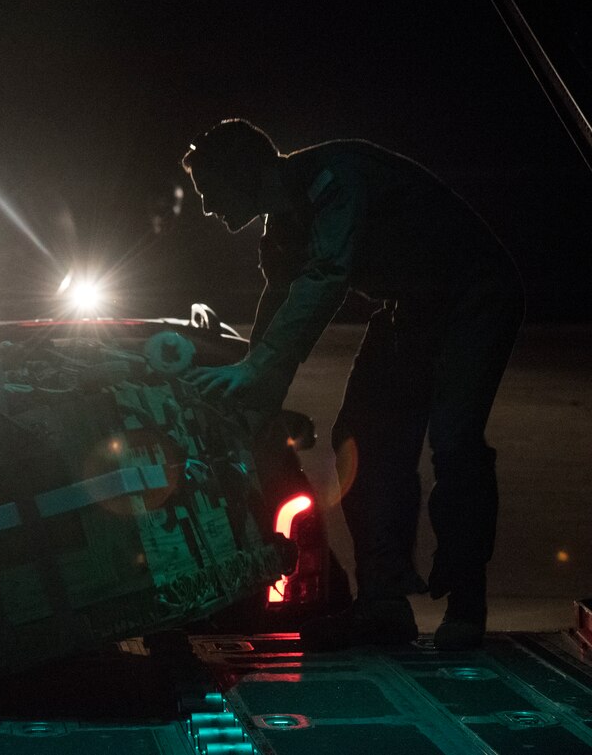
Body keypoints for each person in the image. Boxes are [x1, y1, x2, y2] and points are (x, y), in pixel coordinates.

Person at [182, 119, 524, 651]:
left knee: (455, 440)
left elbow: (324, 281)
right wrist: (248, 403)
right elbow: (277, 320)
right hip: (414, 308)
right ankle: (383, 603)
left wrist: (255, 373)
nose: (205, 208)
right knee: (360, 437)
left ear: (243, 172)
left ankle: (467, 604)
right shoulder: (283, 226)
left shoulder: (333, 178)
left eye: (210, 192)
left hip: (474, 293)